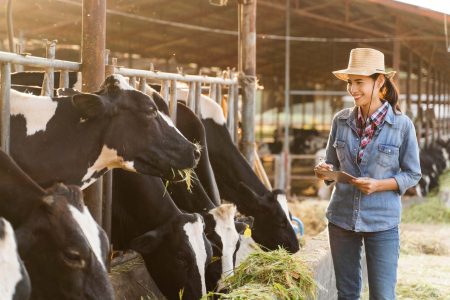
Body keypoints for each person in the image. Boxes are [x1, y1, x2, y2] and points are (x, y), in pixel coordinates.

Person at [314, 48, 421, 300]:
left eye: (359, 82)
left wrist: (380, 185)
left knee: (382, 296)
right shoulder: (340, 120)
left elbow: (412, 173)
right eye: (350, 82)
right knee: (347, 294)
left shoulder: (402, 125)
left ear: (380, 81)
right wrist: (323, 171)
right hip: (341, 219)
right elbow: (330, 164)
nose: (352, 89)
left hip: (382, 222)